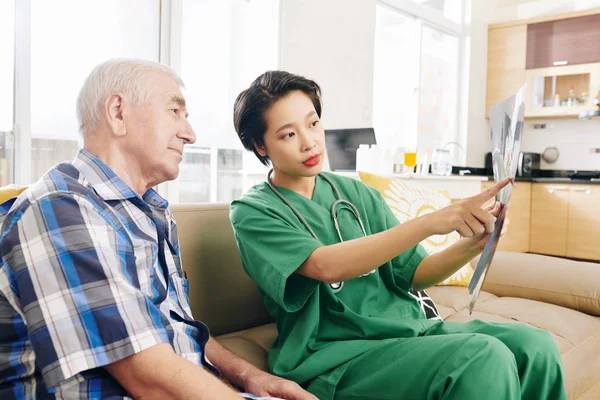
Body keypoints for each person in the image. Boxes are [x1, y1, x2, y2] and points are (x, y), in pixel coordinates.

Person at [229, 70, 567, 400]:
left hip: (408, 332)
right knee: (481, 357)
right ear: (260, 145)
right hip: (335, 357)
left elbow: (416, 275)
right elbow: (324, 266)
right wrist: (430, 222)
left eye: (313, 123)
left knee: (535, 346)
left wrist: (475, 243)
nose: (309, 142)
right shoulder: (253, 212)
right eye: (288, 134)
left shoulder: (356, 194)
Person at [0, 59, 317, 400]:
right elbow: (150, 378)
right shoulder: (60, 209)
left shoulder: (149, 213)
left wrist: (250, 377)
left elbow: (171, 330)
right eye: (174, 111)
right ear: (118, 112)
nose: (190, 133)